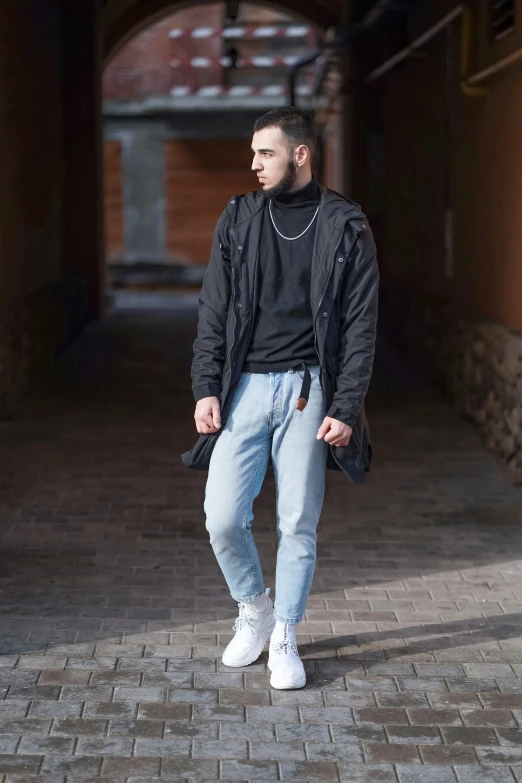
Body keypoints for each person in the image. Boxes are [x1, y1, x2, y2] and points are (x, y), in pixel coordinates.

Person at [181, 106, 379, 689]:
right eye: (252, 154)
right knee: (221, 518)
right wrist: (206, 387)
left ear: (300, 154)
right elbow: (213, 309)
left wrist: (345, 405)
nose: (254, 164)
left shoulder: (346, 225)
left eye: (265, 153)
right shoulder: (239, 217)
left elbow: (361, 324)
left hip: (308, 389)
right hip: (244, 388)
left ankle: (286, 634)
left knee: (297, 519)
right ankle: (254, 607)